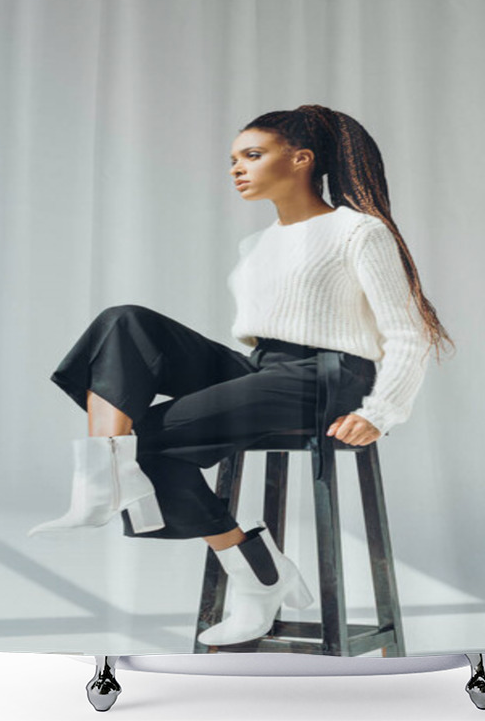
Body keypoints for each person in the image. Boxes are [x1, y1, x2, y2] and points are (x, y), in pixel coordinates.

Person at [26, 104, 455, 646]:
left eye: (252, 155)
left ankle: (250, 574)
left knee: (150, 441)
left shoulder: (358, 232)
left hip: (327, 376)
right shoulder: (254, 246)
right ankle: (106, 473)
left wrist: (380, 412)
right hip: (265, 369)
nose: (236, 168)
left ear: (301, 160)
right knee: (124, 323)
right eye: (233, 159)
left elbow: (407, 333)